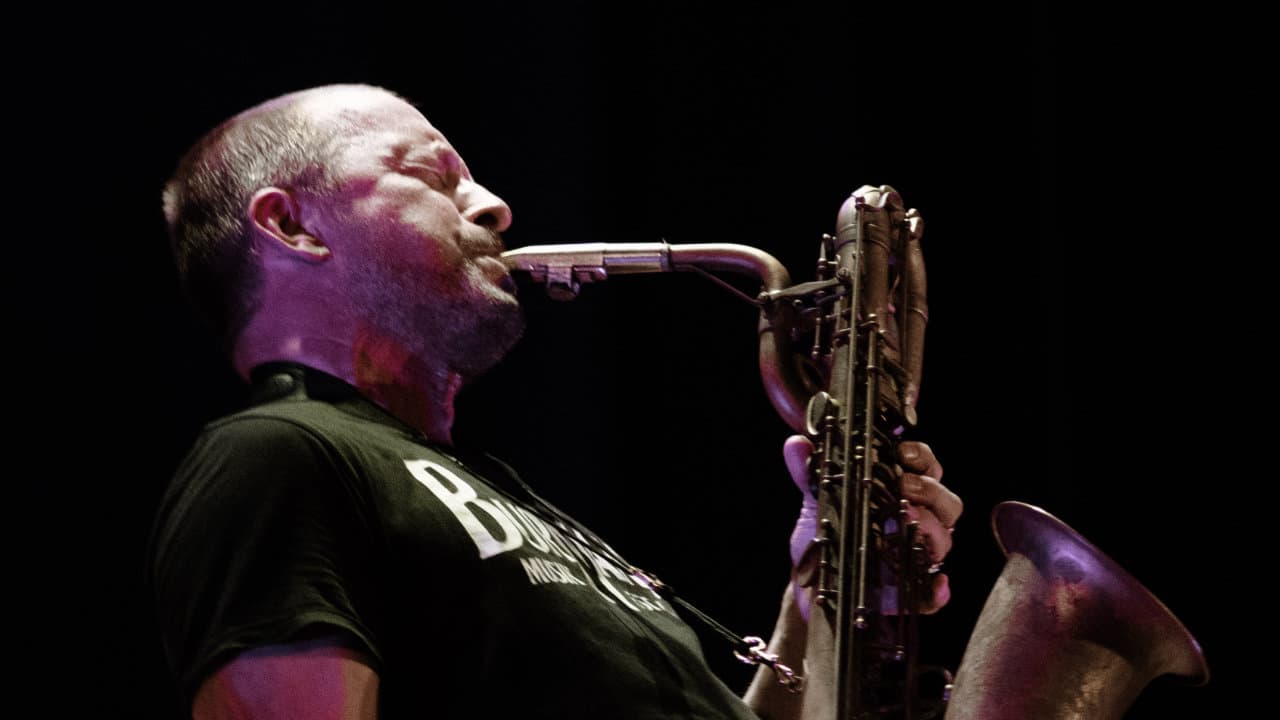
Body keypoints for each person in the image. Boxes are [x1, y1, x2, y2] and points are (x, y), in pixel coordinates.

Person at [148, 83, 963, 719]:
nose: (495, 207)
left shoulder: (507, 491)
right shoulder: (274, 454)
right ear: (293, 225)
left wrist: (825, 570)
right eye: (435, 175)